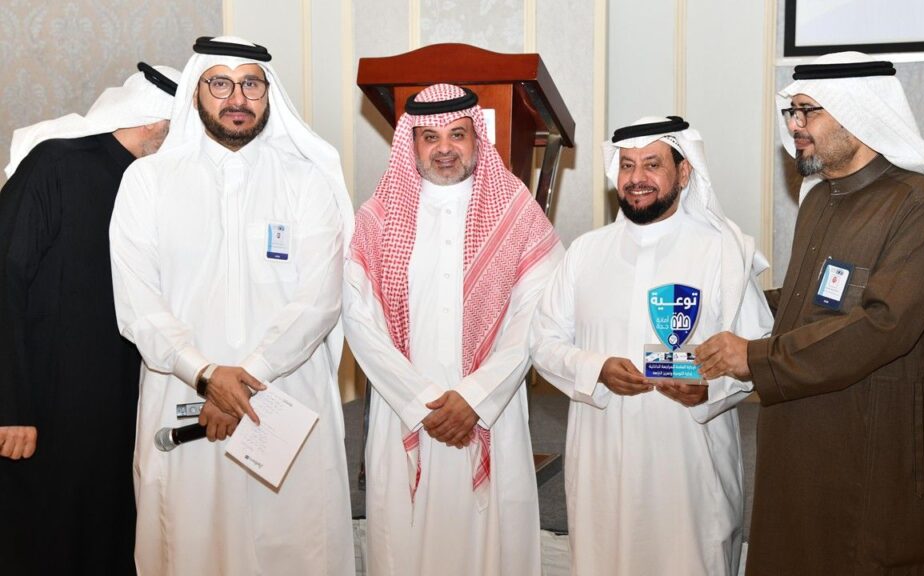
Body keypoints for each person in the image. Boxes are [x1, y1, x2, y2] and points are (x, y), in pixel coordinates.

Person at [695, 52, 924, 574]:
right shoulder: (819, 200)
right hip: (806, 432)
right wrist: (728, 306)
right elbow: (809, 299)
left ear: (858, 113)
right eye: (792, 112)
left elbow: (882, 324)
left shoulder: (919, 204)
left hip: (877, 444)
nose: (795, 126)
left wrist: (755, 358)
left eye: (809, 111)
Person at [109, 36, 355, 576]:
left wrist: (239, 381)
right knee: (191, 543)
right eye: (220, 83)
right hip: (182, 394)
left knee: (292, 542)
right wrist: (205, 375)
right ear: (196, 92)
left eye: (251, 84)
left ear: (269, 94)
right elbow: (137, 300)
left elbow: (320, 299)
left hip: (285, 392)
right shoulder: (147, 181)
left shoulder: (306, 181)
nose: (237, 98)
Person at [530, 116, 774, 575]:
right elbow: (542, 341)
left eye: (652, 164)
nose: (636, 178)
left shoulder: (723, 252)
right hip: (602, 462)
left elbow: (757, 352)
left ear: (683, 171)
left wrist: (711, 390)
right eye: (627, 165)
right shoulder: (585, 252)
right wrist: (597, 368)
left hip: (689, 467)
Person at [343, 83, 563, 576]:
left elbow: (536, 316)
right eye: (430, 137)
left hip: (490, 411)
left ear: (477, 137)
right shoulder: (378, 218)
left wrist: (475, 397)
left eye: (457, 134)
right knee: (404, 542)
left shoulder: (515, 212)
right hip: (404, 409)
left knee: (491, 545)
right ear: (412, 143)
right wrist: (419, 400)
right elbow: (359, 321)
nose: (444, 148)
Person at [0, 62, 179, 576]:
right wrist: (11, 406)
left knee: (111, 535)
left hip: (120, 406)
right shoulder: (55, 163)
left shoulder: (151, 185)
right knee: (45, 539)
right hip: (45, 404)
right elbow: (5, 280)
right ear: (156, 123)